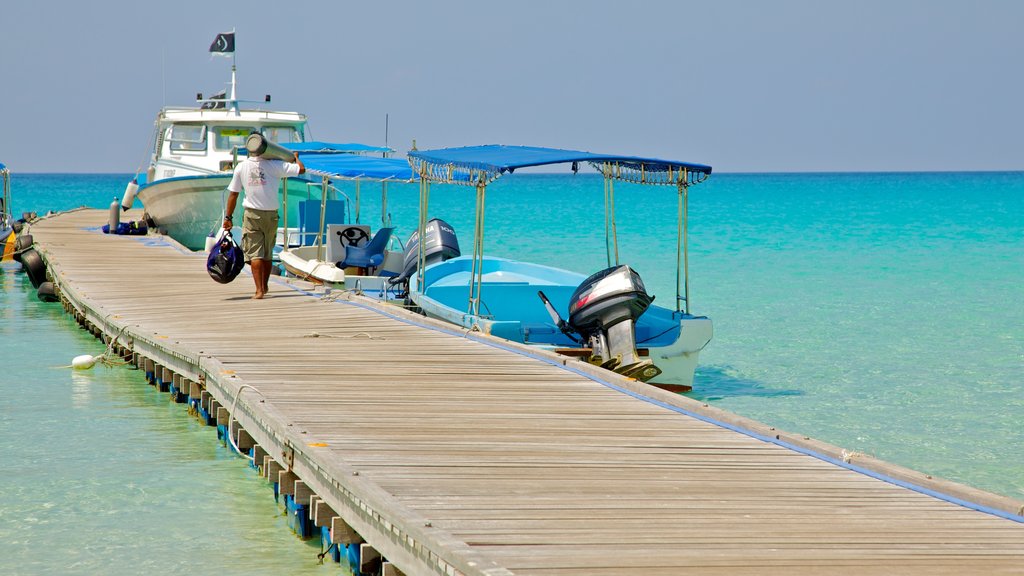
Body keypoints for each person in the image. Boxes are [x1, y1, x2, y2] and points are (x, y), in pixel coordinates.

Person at [224, 136, 305, 299]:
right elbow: (301, 169)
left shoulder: (241, 167)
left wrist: (228, 217)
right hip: (271, 214)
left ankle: (259, 290)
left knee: (255, 253)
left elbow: (233, 194)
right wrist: (296, 158)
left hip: (253, 214)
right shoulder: (275, 165)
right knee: (267, 253)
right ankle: (265, 286)